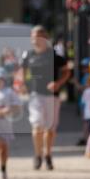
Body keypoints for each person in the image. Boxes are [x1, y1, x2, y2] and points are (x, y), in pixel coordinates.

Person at [22, 26, 71, 170]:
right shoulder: (28, 55)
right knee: (37, 126)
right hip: (35, 94)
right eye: (33, 36)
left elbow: (67, 71)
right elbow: (23, 72)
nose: (35, 38)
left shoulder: (54, 55)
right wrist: (25, 84)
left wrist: (59, 83)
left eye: (38, 35)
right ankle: (38, 155)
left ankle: (48, 155)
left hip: (52, 96)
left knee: (50, 128)